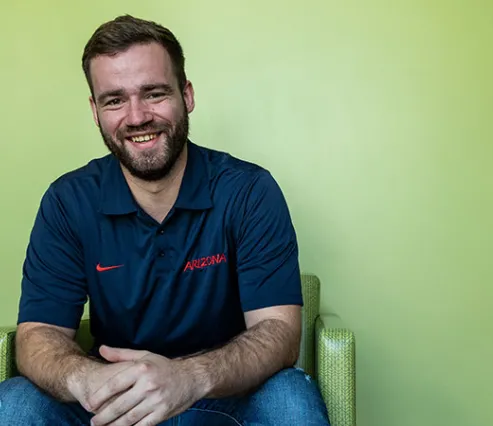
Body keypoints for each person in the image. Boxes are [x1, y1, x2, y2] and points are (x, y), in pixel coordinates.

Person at [0, 14, 330, 426]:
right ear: (95, 110)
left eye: (154, 93)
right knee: (14, 402)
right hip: (113, 402)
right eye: (114, 100)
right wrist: (86, 379)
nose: (136, 117)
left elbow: (279, 335)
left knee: (291, 396)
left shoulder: (249, 191)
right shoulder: (68, 201)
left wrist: (188, 377)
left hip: (220, 397)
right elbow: (36, 336)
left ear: (186, 95)